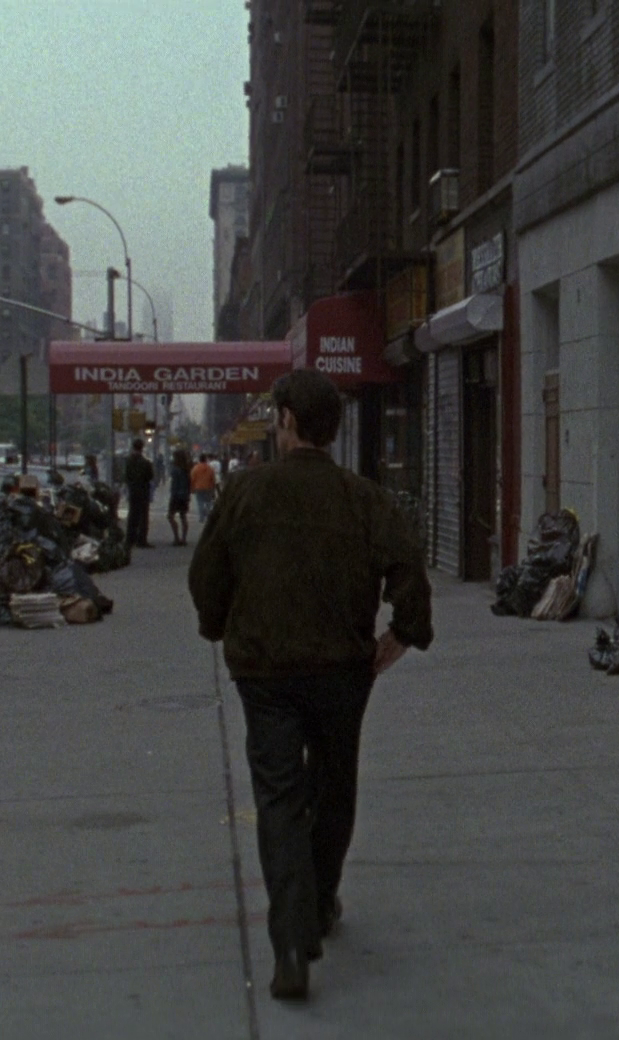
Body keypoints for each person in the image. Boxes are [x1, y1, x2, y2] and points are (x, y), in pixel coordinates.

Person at [189, 370, 432, 1003]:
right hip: (342, 670)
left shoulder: (246, 492)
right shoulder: (363, 497)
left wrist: (219, 624)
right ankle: (319, 902)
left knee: (279, 798)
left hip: (265, 670)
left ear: (288, 420)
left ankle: (291, 944)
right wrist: (402, 633)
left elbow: (207, 574)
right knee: (333, 785)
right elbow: (408, 563)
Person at [122, 439, 156, 548]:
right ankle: (141, 540)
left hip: (133, 490)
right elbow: (150, 476)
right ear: (142, 447)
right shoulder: (146, 462)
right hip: (143, 490)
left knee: (132, 515)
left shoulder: (129, 461)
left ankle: (130, 538)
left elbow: (126, 476)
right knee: (143, 516)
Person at [165, 447, 194, 546]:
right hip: (184, 495)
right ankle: (184, 538)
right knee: (183, 516)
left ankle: (176, 537)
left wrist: (173, 494)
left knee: (170, 516)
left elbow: (175, 484)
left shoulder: (176, 469)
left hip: (176, 495)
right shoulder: (187, 469)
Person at [189, 451, 219, 522]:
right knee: (208, 502)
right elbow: (213, 479)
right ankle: (208, 516)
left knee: (200, 503)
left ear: (199, 460)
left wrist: (192, 489)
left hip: (198, 488)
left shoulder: (195, 468)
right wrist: (213, 488)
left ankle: (201, 517)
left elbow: (192, 479)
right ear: (205, 459)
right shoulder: (210, 468)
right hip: (208, 487)